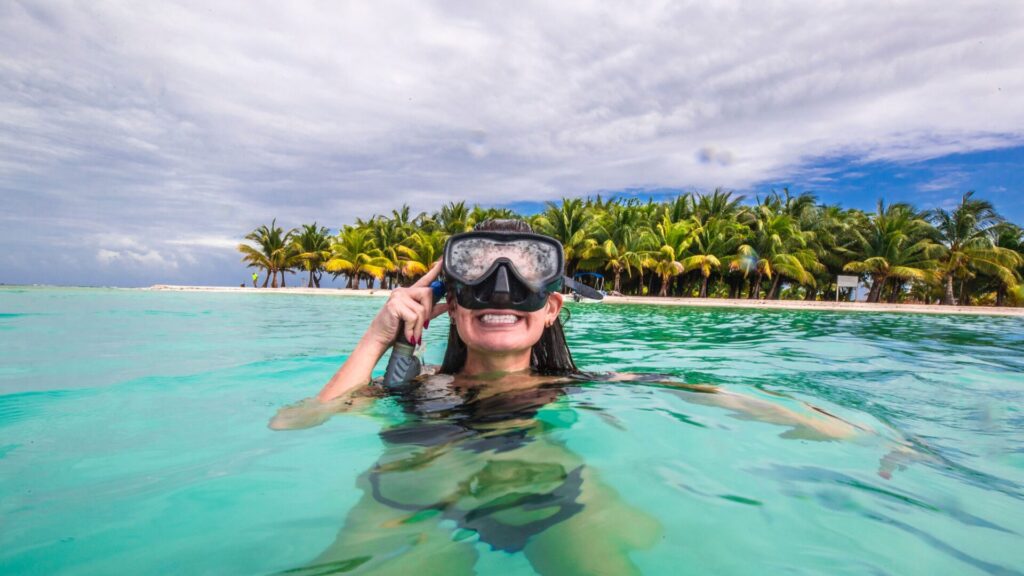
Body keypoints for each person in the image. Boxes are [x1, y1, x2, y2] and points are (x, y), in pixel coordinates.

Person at [270, 219, 880, 575]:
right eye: (477, 274)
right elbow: (295, 424)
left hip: (547, 495)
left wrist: (823, 422)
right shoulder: (414, 384)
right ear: (448, 303)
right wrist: (378, 337)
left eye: (524, 273)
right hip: (409, 503)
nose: (501, 289)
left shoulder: (578, 386)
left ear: (553, 305)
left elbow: (701, 390)